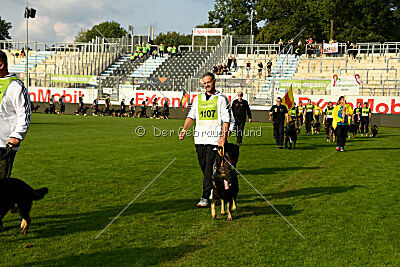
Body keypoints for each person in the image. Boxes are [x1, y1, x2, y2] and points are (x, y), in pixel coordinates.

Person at [179, 72, 231, 208]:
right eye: (204, 83)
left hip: (214, 139)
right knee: (204, 167)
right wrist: (184, 129)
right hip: (199, 138)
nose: (207, 85)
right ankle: (215, 185)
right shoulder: (198, 99)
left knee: (208, 168)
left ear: (214, 81)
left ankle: (205, 196)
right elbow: (191, 116)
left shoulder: (221, 98)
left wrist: (223, 137)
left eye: (209, 82)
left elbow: (226, 120)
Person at [0, 50, 31, 180]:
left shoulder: (15, 86)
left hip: (3, 145)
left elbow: (24, 114)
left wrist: (17, 136)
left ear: (1, 65)